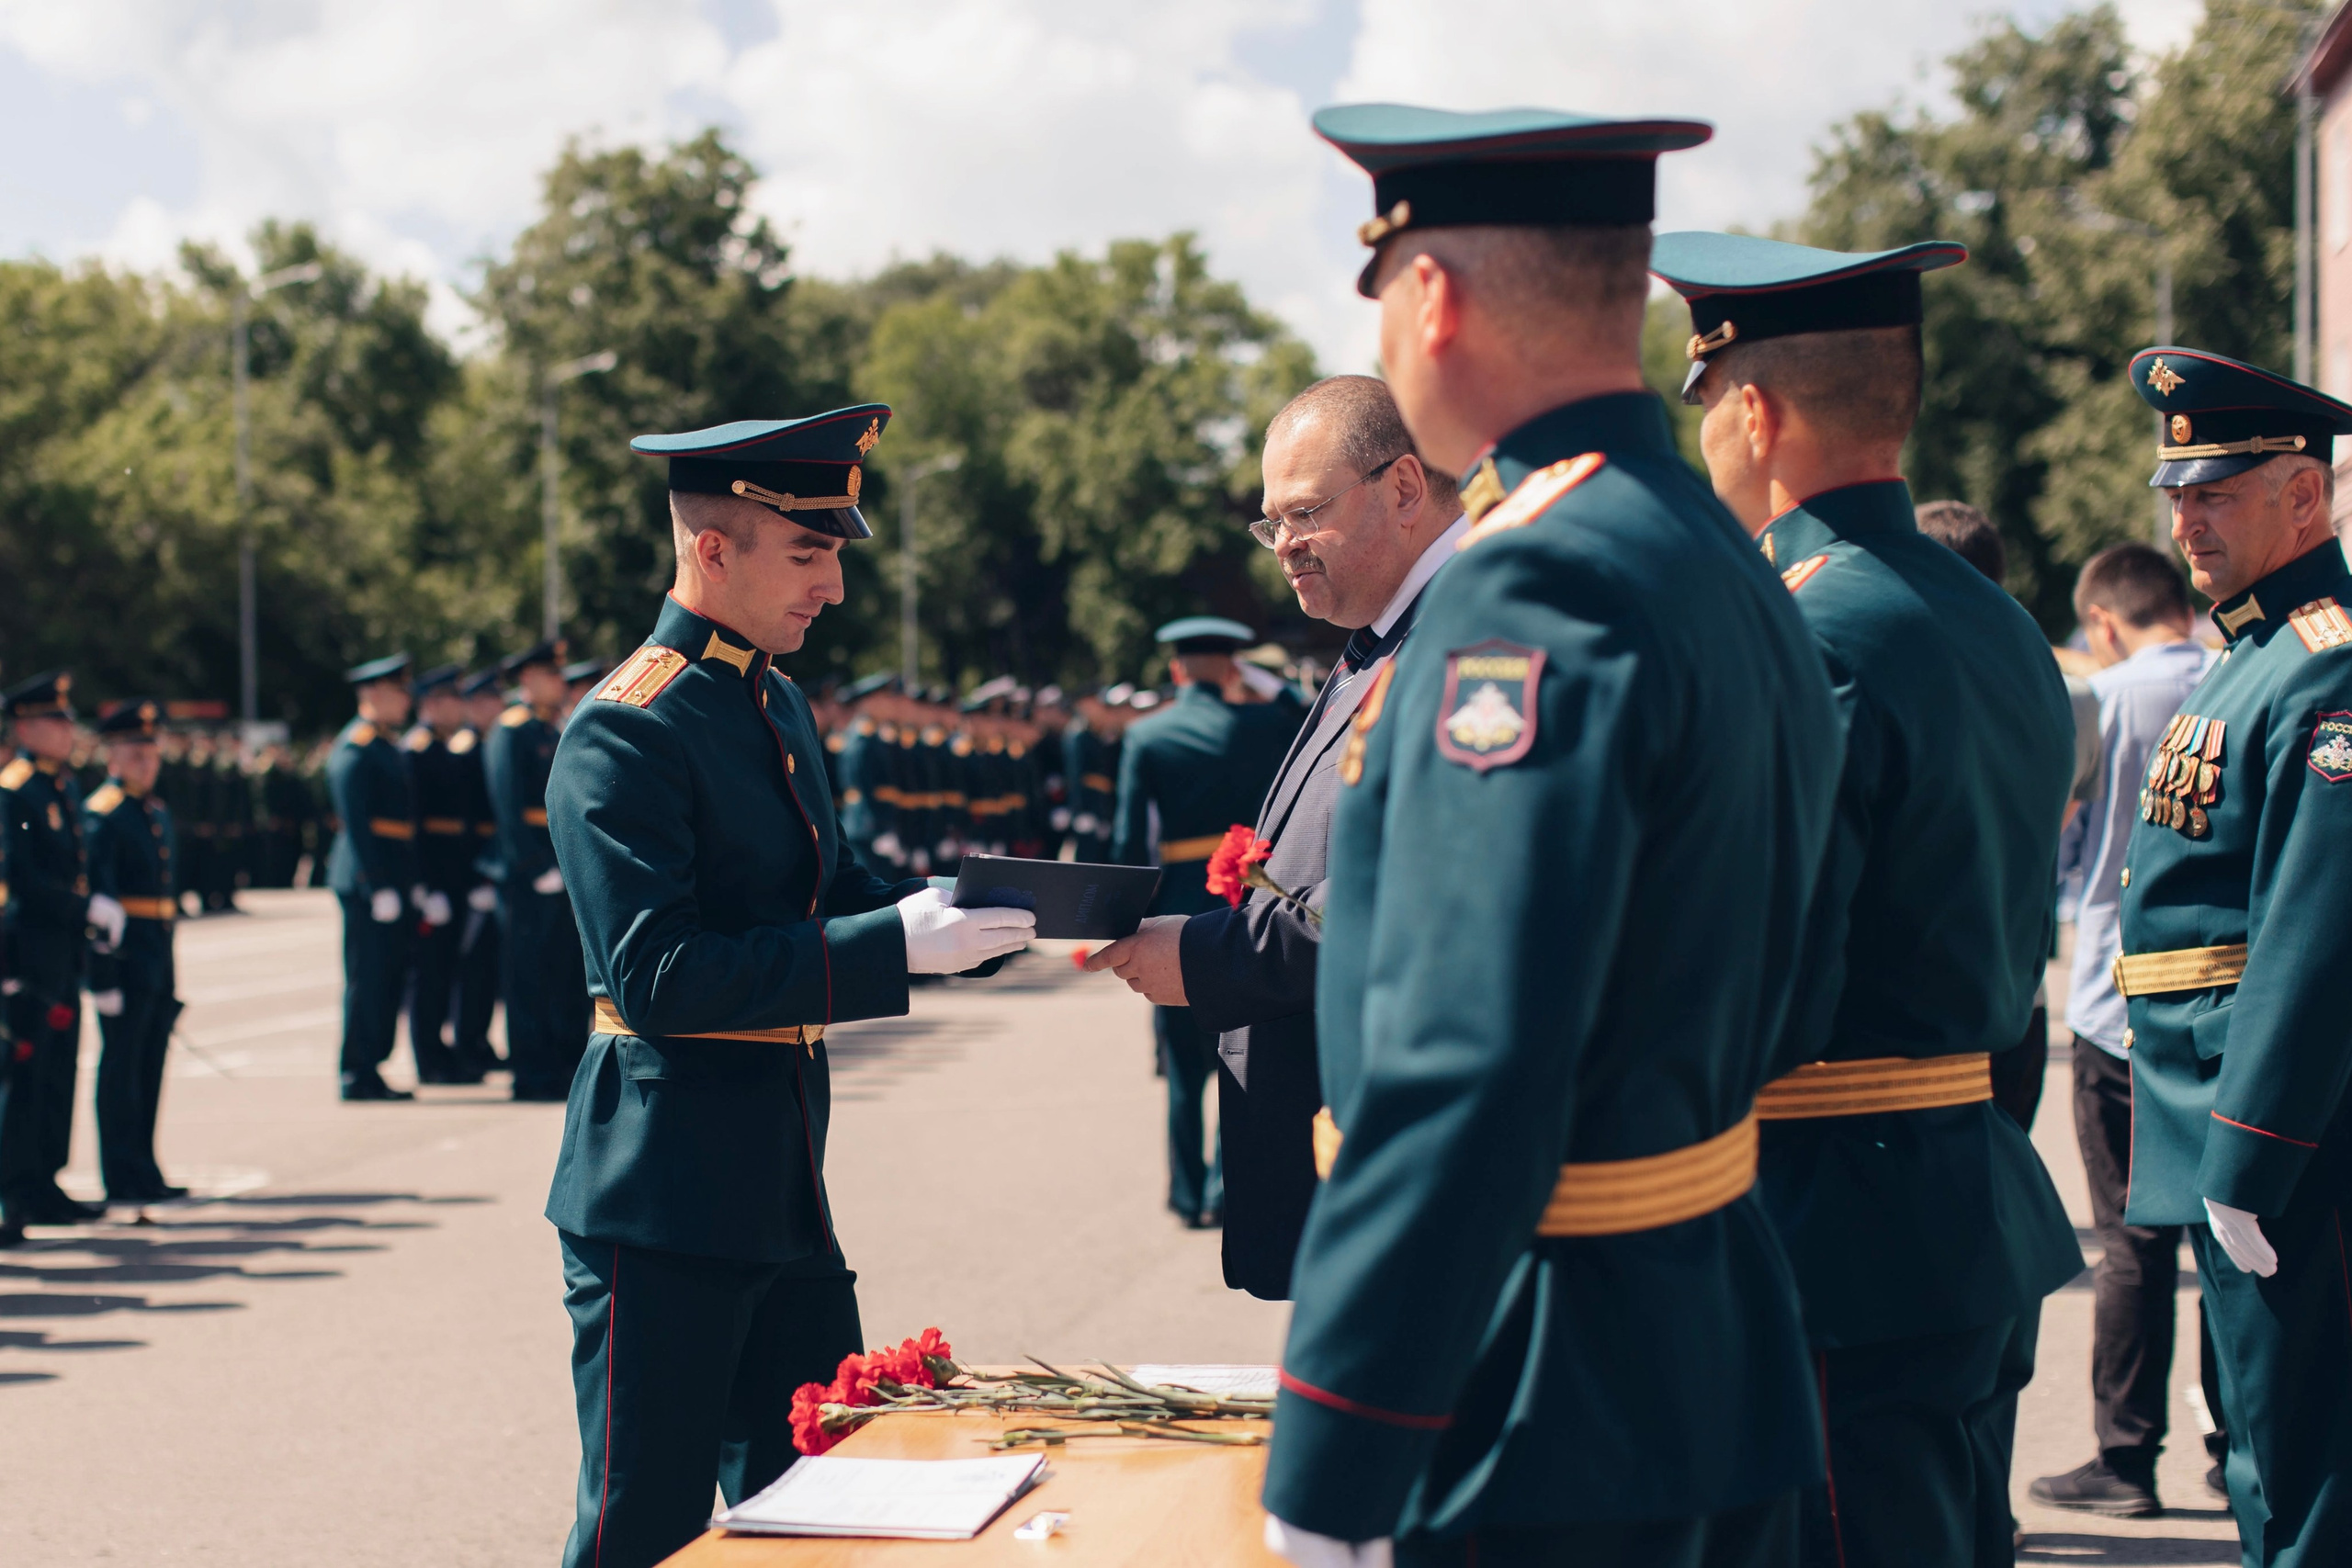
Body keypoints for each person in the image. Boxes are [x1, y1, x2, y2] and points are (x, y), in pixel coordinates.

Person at [1261, 106, 1840, 1568]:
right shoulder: (1720, 552)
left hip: (1539, 1384)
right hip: (1703, 1335)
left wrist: (1338, 1438)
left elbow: (1465, 1056)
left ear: (1433, 299)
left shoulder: (1536, 586)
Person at [543, 403, 1035, 1568]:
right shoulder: (628, 730)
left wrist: (965, 911)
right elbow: (659, 976)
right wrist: (889, 948)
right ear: (714, 548)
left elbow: (829, 887)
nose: (835, 587)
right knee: (643, 1529)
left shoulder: (771, 699)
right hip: (659, 1201)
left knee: (825, 1502)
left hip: (778, 1182)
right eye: (809, 554)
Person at [1657, 231, 2082, 1568]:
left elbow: (1759, 973)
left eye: (1705, 406)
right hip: (1957, 1192)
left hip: (1827, 1224)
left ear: (1756, 412)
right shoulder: (1991, 614)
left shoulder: (1811, 628)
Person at [1087, 374, 1464, 1299]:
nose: (1283, 548)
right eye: (1271, 524)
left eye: (1303, 514)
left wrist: (1216, 957)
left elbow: (1429, 891)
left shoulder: (1466, 634)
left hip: (1405, 1172)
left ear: (1405, 489)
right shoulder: (1382, 637)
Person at [2108, 346, 2352, 1567]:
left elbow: (2315, 929)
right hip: (2228, 1122)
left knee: (2311, 1469)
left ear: (2303, 492)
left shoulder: (2327, 661)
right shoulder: (2251, 654)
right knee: (2263, 1451)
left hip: (2296, 1144)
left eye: (2217, 488)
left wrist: (2251, 1150)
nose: (2185, 516)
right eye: (2178, 494)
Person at [2030, 543, 2221, 1517]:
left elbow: (2062, 834)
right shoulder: (2236, 672)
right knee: (2227, 1235)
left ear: (2100, 621)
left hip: (2113, 1005)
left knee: (2131, 1245)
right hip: (2219, 1000)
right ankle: (2236, 1447)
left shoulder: (2105, 701)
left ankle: (2125, 1457)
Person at [1106, 615, 1299, 1229]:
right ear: (1232, 669)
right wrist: (1265, 682)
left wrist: (1121, 925)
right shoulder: (1264, 724)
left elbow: (1129, 840)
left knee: (1183, 1068)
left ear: (1176, 670)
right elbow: (1302, 710)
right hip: (1246, 903)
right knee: (1238, 1056)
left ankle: (1186, 1192)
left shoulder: (1148, 735)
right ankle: (1223, 1186)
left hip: (1173, 908)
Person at [1, 671, 111, 1226]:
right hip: (32, 950)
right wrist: (80, 909)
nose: (67, 730)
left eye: (68, 720)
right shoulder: (16, 787)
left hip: (63, 949)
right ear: (25, 725)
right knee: (26, 1075)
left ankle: (46, 1180)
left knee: (58, 1070)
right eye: (55, 720)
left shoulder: (60, 785)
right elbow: (20, 878)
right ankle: (18, 1188)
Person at [83, 700, 187, 1203]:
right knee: (122, 1067)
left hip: (157, 950)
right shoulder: (102, 814)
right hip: (125, 956)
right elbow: (99, 904)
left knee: (149, 1065)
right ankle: (120, 1172)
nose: (147, 761)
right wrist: (101, 977)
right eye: (135, 752)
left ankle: (145, 1166)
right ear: (113, 757)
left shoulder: (155, 811)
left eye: (151, 751)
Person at [487, 638, 585, 1101]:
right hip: (529, 875)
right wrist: (531, 864)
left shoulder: (549, 729)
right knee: (529, 973)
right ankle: (531, 1068)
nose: (560, 683)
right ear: (527, 680)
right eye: (552, 675)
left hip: (556, 866)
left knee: (563, 970)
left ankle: (563, 1061)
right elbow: (508, 807)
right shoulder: (512, 730)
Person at [325, 653, 419, 1101]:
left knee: (389, 976)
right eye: (398, 691)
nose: (406, 701)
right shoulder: (356, 746)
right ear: (374, 694)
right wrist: (376, 882)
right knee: (367, 977)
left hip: (392, 876)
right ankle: (356, 1069)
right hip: (367, 880)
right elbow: (357, 822)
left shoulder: (384, 743)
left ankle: (373, 1064)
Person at [401, 664, 481, 1085]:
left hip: (454, 875)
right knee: (430, 973)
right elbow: (414, 827)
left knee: (448, 968)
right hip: (433, 878)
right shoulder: (416, 750)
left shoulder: (447, 748)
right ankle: (428, 1057)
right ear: (431, 704)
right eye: (452, 699)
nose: (460, 707)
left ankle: (441, 1050)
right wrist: (424, 886)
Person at [452, 669, 505, 1077]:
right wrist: (475, 877)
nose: (495, 708)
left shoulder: (490, 742)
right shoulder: (464, 748)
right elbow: (462, 823)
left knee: (486, 969)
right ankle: (465, 1043)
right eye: (485, 701)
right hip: (471, 873)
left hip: (490, 868)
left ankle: (478, 1041)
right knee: (467, 968)